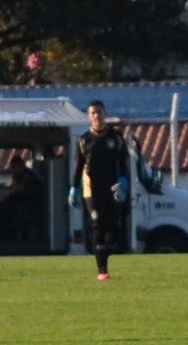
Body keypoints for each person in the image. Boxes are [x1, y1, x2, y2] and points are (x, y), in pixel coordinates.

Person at [69, 100, 128, 281]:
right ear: (89, 116)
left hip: (111, 189)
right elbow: (79, 167)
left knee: (114, 227)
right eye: (93, 113)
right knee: (97, 225)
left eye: (99, 112)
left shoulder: (115, 137)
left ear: (105, 113)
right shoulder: (84, 140)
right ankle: (102, 270)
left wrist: (123, 181)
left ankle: (105, 253)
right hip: (91, 191)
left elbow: (124, 163)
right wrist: (74, 188)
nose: (96, 115)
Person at [0, 156, 43, 241]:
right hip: (24, 202)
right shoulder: (19, 175)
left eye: (14, 167)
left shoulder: (27, 175)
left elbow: (21, 188)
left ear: (19, 165)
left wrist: (9, 187)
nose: (13, 169)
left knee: (9, 213)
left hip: (30, 205)